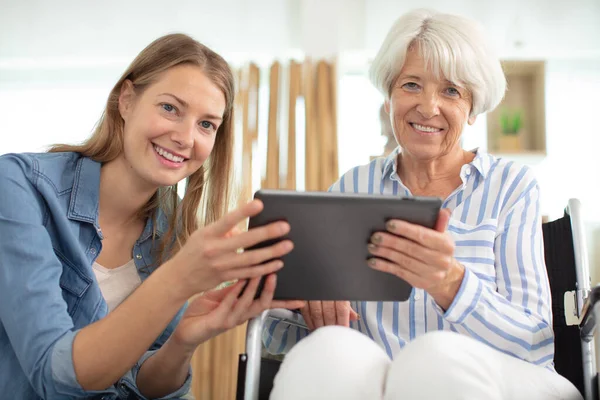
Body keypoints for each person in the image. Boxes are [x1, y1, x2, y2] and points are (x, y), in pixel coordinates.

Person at [263, 9, 582, 400]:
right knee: (322, 355)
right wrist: (299, 298)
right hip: (383, 380)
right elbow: (281, 337)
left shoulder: (511, 187)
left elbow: (533, 342)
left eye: (451, 91)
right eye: (411, 84)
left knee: (434, 358)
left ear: (473, 107)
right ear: (389, 96)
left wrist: (448, 282)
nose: (428, 107)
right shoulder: (353, 186)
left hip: (499, 378)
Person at [0, 33, 303, 399]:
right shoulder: (19, 186)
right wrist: (175, 282)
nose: (185, 137)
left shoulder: (173, 232)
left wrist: (182, 342)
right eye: (170, 108)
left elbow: (140, 386)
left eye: (206, 124)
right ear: (126, 100)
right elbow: (53, 378)